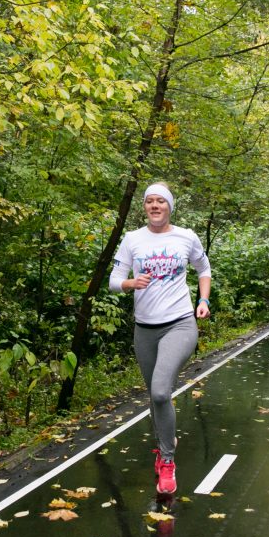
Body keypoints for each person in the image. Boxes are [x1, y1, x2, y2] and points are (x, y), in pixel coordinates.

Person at [108, 183, 212, 495]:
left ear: (169, 206)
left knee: (160, 392)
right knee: (155, 396)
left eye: (160, 201)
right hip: (145, 330)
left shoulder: (186, 237)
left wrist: (203, 301)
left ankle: (168, 461)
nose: (155, 206)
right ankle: (164, 443)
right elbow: (114, 282)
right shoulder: (132, 240)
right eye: (150, 201)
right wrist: (130, 282)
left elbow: (203, 269)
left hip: (180, 324)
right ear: (145, 207)